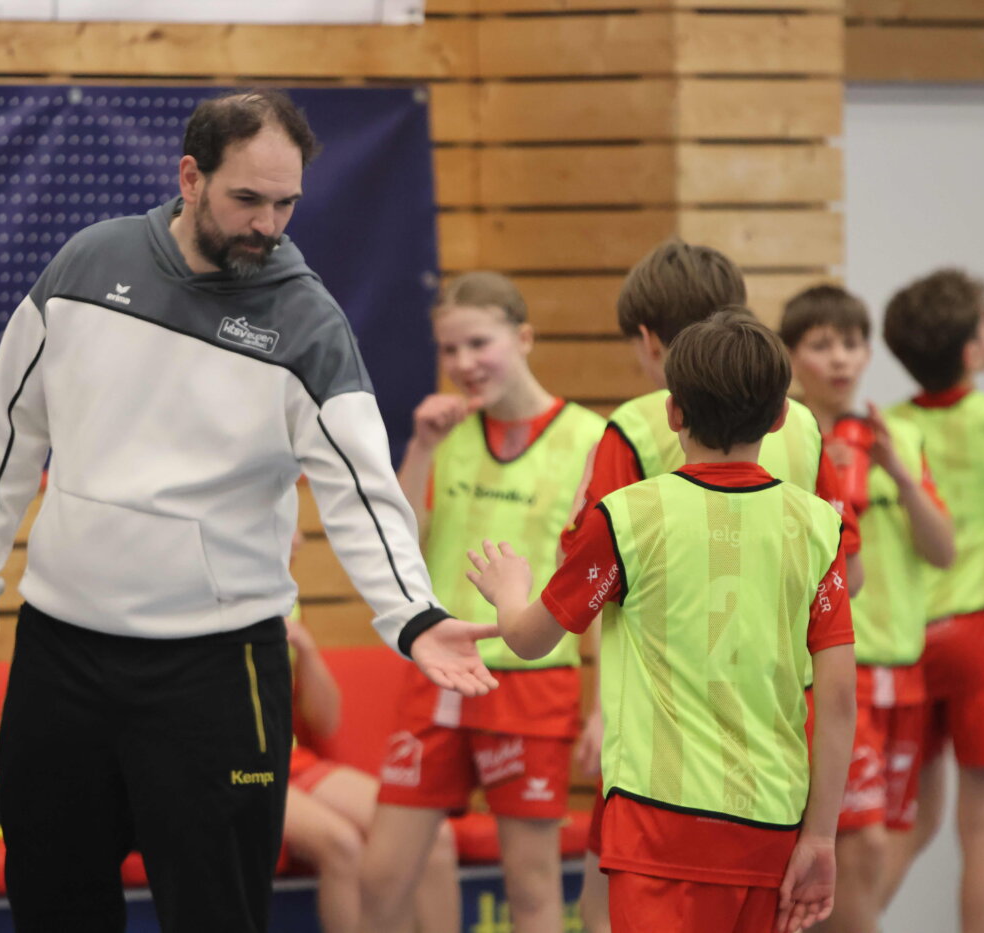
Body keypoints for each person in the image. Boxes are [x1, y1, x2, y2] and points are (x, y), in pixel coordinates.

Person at [0, 89, 499, 933]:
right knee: (54, 908)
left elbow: (362, 488)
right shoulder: (86, 266)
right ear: (190, 177)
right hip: (62, 656)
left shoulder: (306, 321)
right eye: (247, 199)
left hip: (216, 672)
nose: (267, 225)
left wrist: (413, 614)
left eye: (286, 203)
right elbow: (7, 428)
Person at [469, 309, 857, 933]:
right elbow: (837, 700)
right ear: (781, 416)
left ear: (673, 413)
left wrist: (508, 590)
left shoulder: (627, 517)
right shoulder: (818, 527)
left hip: (656, 823)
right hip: (771, 820)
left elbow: (529, 638)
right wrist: (821, 836)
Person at [561, 239, 862, 932]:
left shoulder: (634, 425)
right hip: (779, 738)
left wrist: (600, 707)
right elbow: (852, 576)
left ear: (648, 340)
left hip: (662, 750)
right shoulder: (804, 425)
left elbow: (592, 584)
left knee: (600, 907)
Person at [359, 272, 604, 932]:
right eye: (450, 349)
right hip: (438, 671)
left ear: (523, 338)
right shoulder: (446, 434)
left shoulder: (590, 437)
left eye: (479, 343)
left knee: (532, 888)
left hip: (532, 685)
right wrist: (420, 448)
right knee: (379, 878)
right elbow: (400, 541)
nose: (464, 363)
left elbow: (607, 586)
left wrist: (606, 707)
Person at [778, 285, 954, 933]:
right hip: (832, 668)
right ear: (791, 356)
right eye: (822, 344)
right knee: (860, 842)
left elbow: (942, 549)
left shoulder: (897, 434)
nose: (840, 358)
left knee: (908, 829)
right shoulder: (782, 439)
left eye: (852, 343)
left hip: (903, 665)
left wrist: (897, 472)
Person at [881, 269, 984, 933]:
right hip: (982, 636)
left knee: (911, 820)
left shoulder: (890, 428)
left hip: (912, 638)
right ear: (973, 349)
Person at [284, 600, 460, 933]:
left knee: (436, 835)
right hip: (245, 770)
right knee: (342, 844)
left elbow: (325, 723)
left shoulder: (286, 603)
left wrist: (305, 649)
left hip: (293, 761)